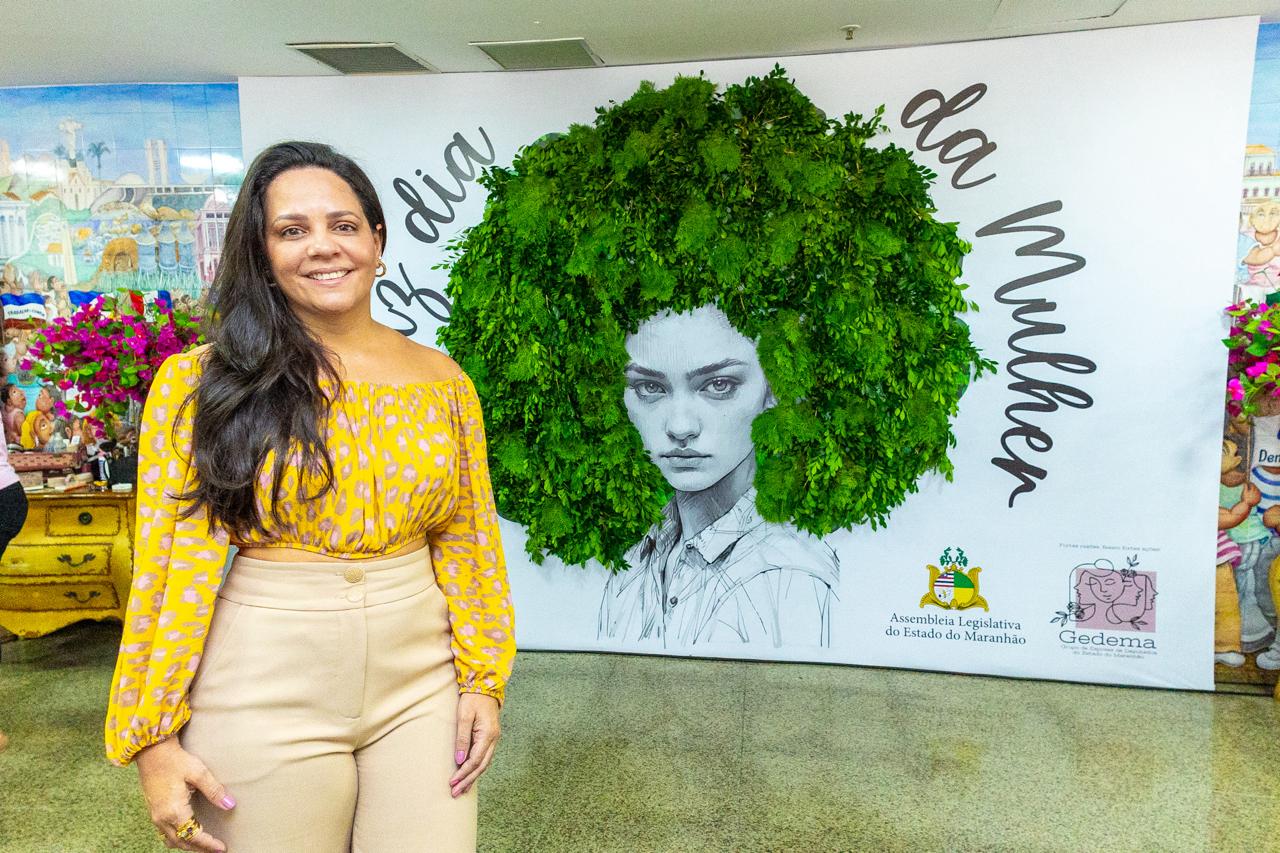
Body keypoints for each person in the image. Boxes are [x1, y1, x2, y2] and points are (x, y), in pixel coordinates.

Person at [104, 141, 515, 853]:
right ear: (261, 253)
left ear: (377, 240)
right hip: (262, 681)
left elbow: (469, 538)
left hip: (421, 682)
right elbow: (167, 570)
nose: (323, 247)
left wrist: (484, 679)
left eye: (344, 225)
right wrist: (153, 738)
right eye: (292, 230)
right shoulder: (201, 383)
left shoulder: (442, 380)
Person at [598, 303, 838, 648]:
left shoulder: (787, 576)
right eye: (650, 388)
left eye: (719, 385)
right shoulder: (637, 559)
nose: (680, 427)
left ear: (773, 389)